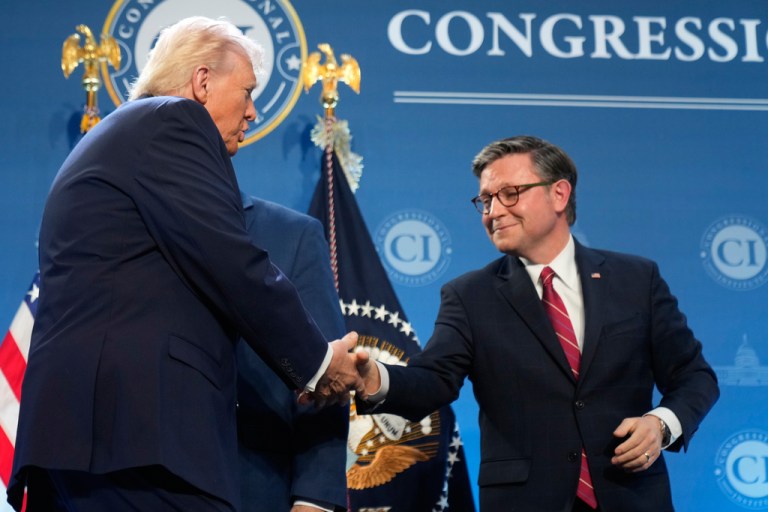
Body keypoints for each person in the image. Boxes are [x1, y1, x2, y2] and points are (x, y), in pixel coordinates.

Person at [9, 16, 363, 512]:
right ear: (202, 83)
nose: (253, 111)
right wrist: (319, 364)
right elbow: (232, 262)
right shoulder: (172, 122)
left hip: (83, 446)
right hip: (139, 443)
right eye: (246, 92)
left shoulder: (119, 140)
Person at [355, 135, 719, 511]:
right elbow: (432, 380)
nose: (493, 211)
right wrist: (373, 380)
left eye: (510, 193)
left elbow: (694, 376)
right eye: (485, 199)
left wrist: (661, 424)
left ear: (559, 194)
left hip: (632, 497)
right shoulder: (469, 296)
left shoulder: (636, 280)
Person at [236, 193, 348, 512]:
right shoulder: (136, 226)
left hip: (256, 489)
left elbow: (324, 379)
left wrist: (314, 498)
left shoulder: (291, 234)